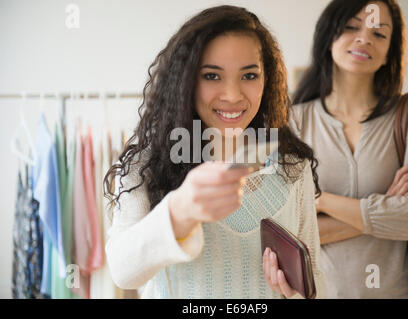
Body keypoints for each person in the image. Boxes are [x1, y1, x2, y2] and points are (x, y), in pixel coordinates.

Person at [103, 5, 326, 299]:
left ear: (267, 80)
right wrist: (180, 208)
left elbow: (316, 283)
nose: (233, 95)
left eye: (249, 76)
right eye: (212, 76)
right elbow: (123, 271)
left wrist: (294, 295)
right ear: (186, 81)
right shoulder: (146, 165)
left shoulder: (291, 167)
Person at [289, 0, 408, 298]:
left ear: (390, 52)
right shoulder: (293, 120)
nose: (364, 38)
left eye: (379, 34)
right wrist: (388, 205)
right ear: (328, 38)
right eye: (351, 27)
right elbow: (290, 231)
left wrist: (319, 201)